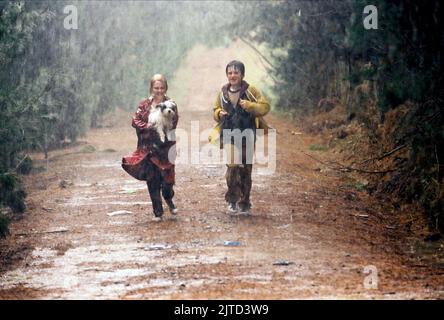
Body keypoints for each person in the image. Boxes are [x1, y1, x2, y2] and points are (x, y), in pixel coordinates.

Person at [209, 60, 270, 214]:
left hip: (248, 135)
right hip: (229, 134)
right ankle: (232, 199)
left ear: (242, 74)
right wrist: (218, 113)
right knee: (232, 167)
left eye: (236, 72)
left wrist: (249, 105)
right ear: (227, 75)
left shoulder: (251, 91)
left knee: (246, 169)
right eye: (230, 73)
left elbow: (265, 107)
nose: (233, 75)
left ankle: (245, 201)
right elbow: (215, 109)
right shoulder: (222, 93)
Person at [122, 74, 179, 220]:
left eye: (161, 87)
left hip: (166, 148)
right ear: (151, 88)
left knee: (167, 181)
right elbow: (135, 121)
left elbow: (174, 123)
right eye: (156, 88)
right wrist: (147, 127)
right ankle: (158, 212)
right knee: (152, 181)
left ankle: (168, 198)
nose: (159, 90)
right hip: (148, 148)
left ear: (165, 88)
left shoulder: (171, 104)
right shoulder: (144, 105)